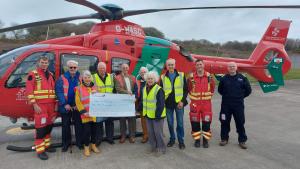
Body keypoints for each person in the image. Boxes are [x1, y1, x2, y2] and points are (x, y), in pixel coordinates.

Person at [26, 55, 57, 160]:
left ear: (48, 64)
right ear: (38, 63)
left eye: (46, 63)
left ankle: (47, 146)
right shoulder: (33, 74)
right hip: (40, 106)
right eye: (42, 62)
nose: (44, 64)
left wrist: (56, 104)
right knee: (41, 129)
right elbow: (29, 91)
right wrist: (34, 104)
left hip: (51, 106)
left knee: (49, 127)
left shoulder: (51, 75)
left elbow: (54, 90)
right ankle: (40, 151)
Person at [218, 62, 252, 149]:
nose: (232, 68)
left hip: (238, 105)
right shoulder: (223, 78)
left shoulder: (242, 78)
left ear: (236, 68)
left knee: (240, 122)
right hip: (226, 105)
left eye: (233, 66)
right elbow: (220, 90)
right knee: (224, 122)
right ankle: (224, 139)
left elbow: (248, 90)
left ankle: (242, 140)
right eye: (230, 67)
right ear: (227, 68)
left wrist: (240, 97)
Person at [160, 58, 188, 149]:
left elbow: (186, 90)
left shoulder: (181, 75)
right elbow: (160, 91)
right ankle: (172, 139)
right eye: (169, 65)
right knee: (170, 123)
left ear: (175, 65)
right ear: (166, 66)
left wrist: (182, 101)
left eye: (172, 64)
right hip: (168, 104)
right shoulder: (162, 77)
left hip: (179, 103)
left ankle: (181, 140)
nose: (171, 66)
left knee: (180, 123)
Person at [55, 60, 83, 152]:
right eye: (71, 67)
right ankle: (65, 144)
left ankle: (79, 143)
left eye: (74, 67)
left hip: (76, 106)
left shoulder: (80, 78)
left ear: (77, 68)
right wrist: (65, 104)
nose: (73, 69)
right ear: (68, 68)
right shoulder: (62, 78)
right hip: (65, 105)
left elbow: (83, 91)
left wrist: (77, 104)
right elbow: (59, 92)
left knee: (78, 125)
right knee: (65, 126)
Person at [187, 59, 215, 148]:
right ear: (195, 66)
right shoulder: (191, 77)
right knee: (195, 123)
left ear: (203, 65)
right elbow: (189, 88)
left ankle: (206, 140)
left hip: (206, 105)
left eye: (200, 64)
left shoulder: (209, 77)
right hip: (195, 105)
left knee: (206, 123)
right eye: (197, 64)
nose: (199, 66)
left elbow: (212, 88)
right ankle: (197, 140)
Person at [139, 71, 166, 155]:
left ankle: (161, 148)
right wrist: (138, 108)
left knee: (158, 133)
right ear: (146, 80)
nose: (150, 80)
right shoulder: (144, 88)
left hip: (157, 116)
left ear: (155, 79)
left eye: (151, 79)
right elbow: (143, 101)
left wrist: (157, 115)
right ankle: (153, 147)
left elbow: (161, 104)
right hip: (148, 115)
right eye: (148, 79)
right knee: (150, 133)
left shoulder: (159, 89)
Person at [75, 70, 100, 157]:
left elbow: (101, 99)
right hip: (85, 115)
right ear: (82, 78)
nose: (87, 79)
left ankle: (93, 145)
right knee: (86, 132)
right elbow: (78, 102)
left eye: (89, 77)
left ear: (91, 78)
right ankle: (86, 147)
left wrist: (97, 93)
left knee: (94, 131)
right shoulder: (79, 88)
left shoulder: (96, 87)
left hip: (94, 114)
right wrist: (84, 112)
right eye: (85, 77)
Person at [93, 62, 115, 145]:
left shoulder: (111, 77)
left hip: (109, 103)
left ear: (106, 69)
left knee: (109, 121)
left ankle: (110, 138)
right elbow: (89, 88)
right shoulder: (93, 77)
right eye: (100, 68)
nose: (102, 70)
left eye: (103, 68)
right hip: (99, 103)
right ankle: (99, 139)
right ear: (98, 69)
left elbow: (114, 89)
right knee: (99, 122)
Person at [115, 63, 137, 143]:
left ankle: (132, 136)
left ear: (128, 69)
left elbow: (135, 88)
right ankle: (123, 136)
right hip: (122, 102)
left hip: (131, 101)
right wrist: (127, 92)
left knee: (132, 119)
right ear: (121, 69)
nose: (125, 69)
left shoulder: (132, 77)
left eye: (126, 68)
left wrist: (135, 97)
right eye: (123, 68)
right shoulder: (117, 77)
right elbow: (118, 89)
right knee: (122, 119)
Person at [134, 67, 149, 143]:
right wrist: (135, 99)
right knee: (143, 121)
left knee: (151, 121)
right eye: (141, 72)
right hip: (142, 105)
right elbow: (136, 93)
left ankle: (153, 135)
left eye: (145, 72)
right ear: (139, 73)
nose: (143, 73)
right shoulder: (138, 82)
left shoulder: (151, 80)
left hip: (150, 105)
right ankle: (145, 135)